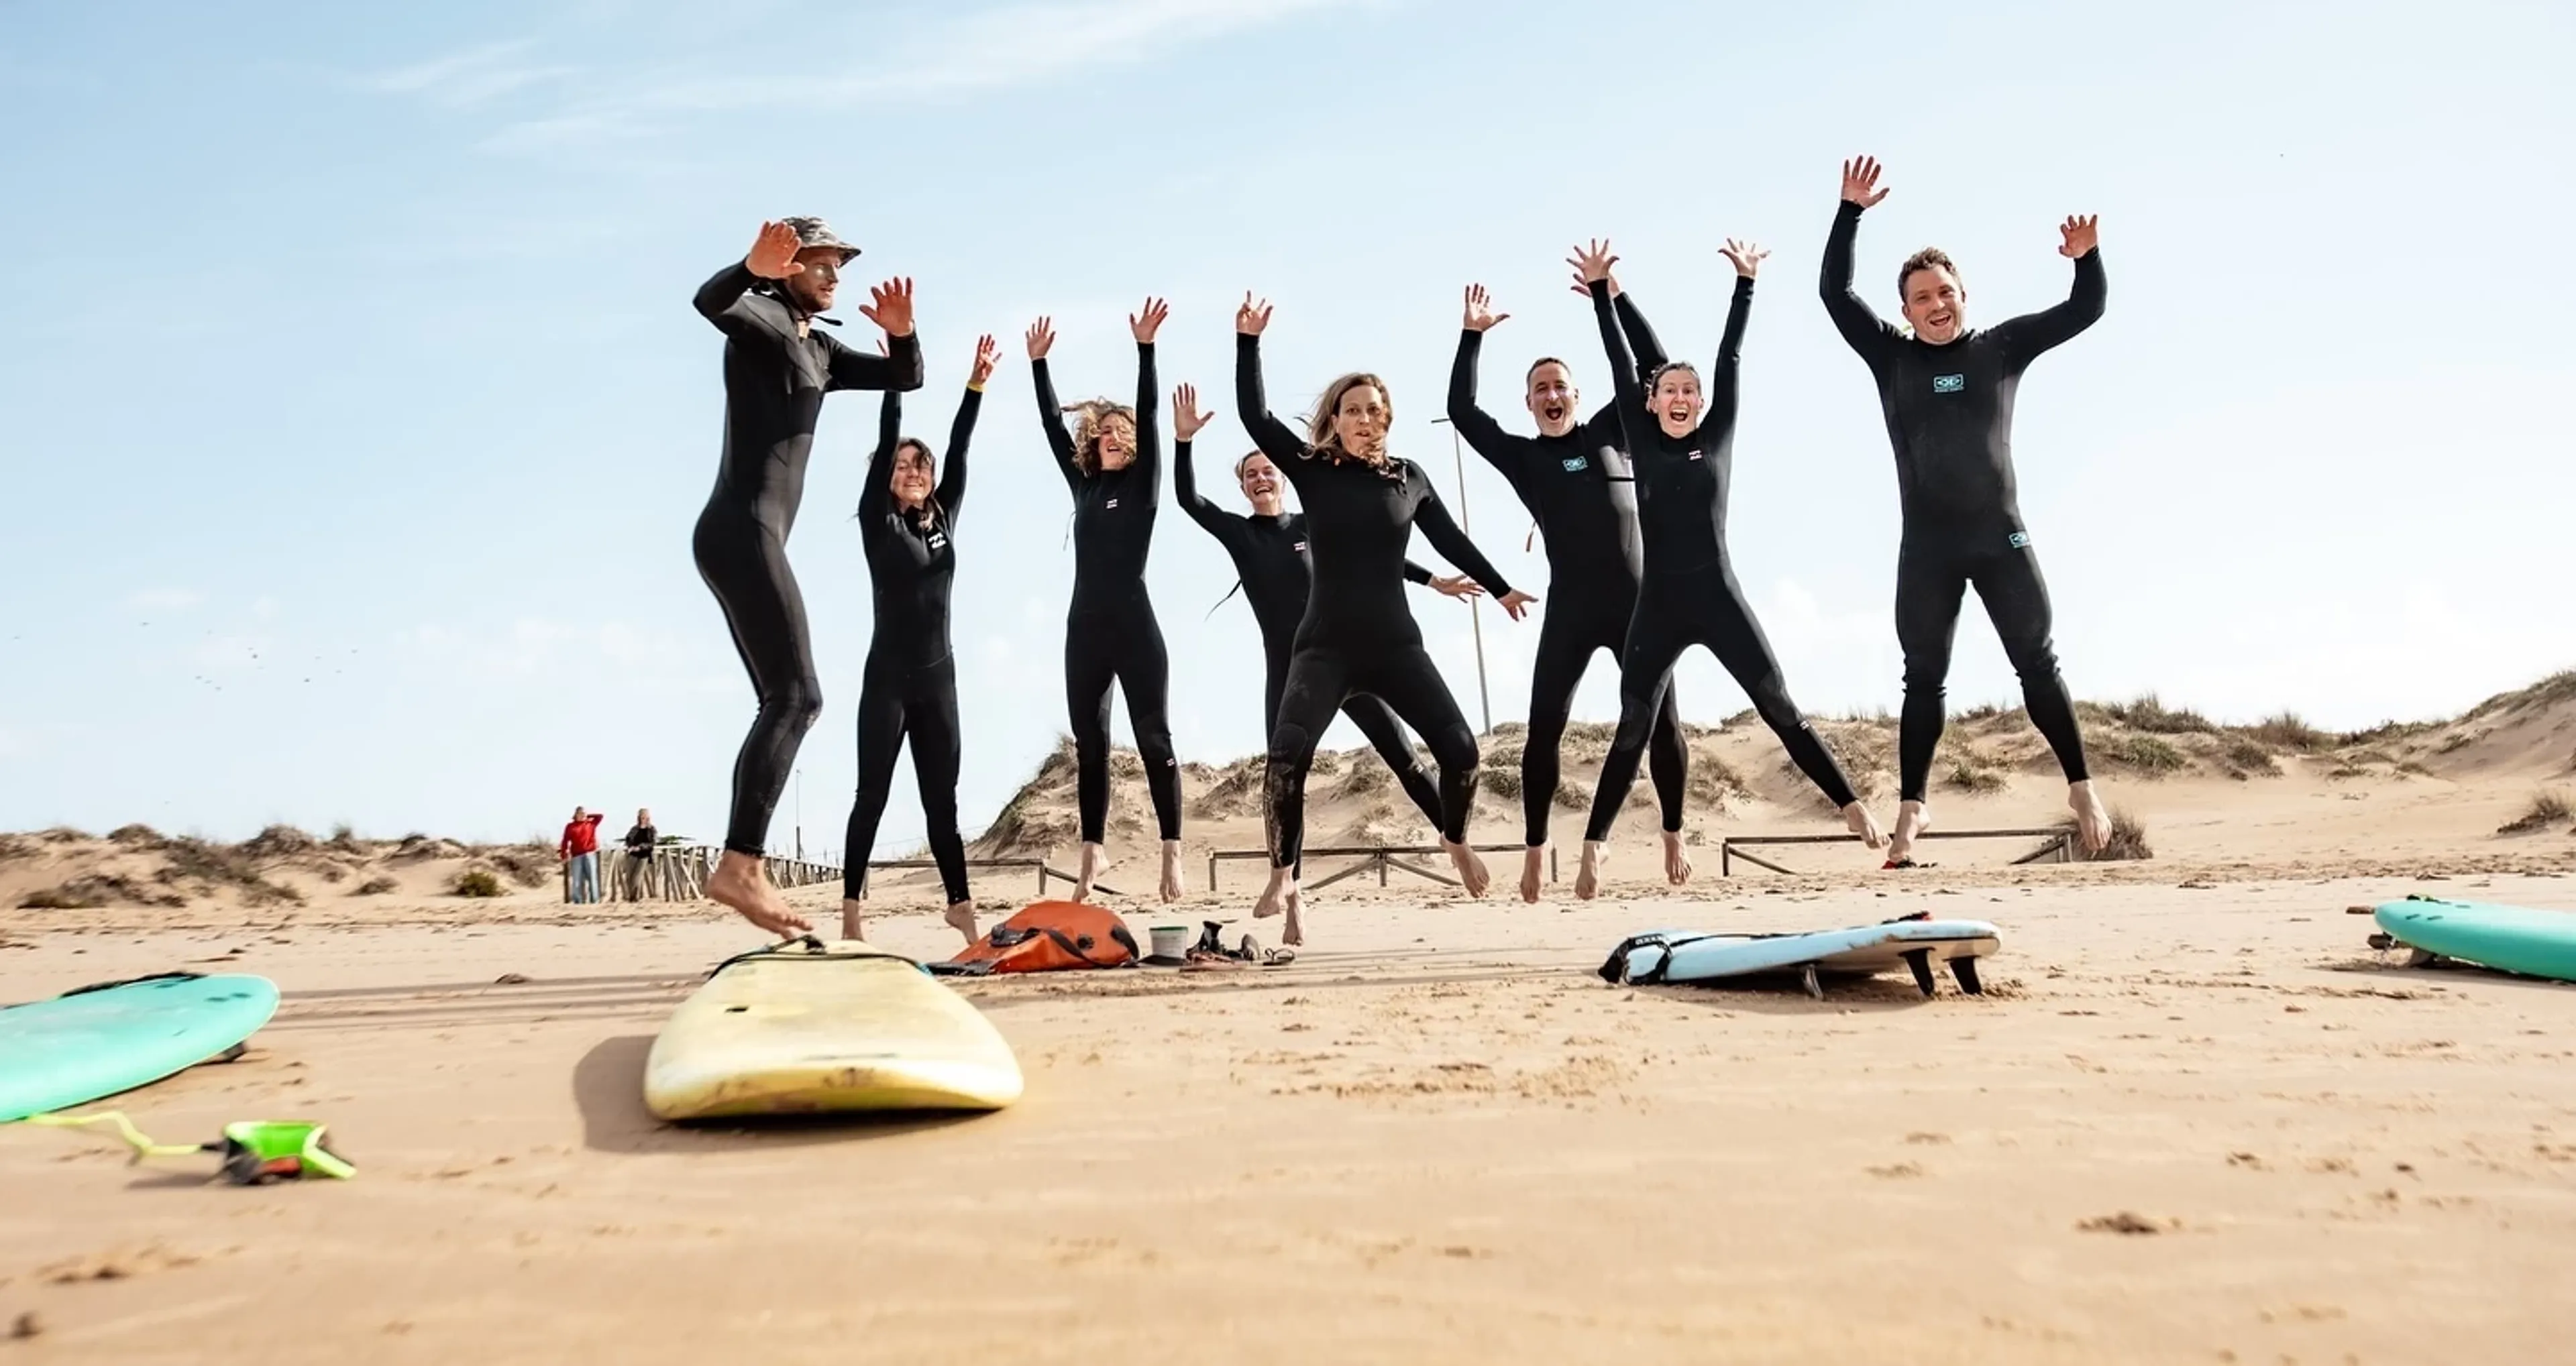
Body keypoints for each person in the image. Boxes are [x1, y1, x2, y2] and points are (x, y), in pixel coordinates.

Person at [1819, 156, 2111, 864]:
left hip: (1999, 537)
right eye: (1921, 297)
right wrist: (1849, 212)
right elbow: (1834, 293)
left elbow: (2085, 310)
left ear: (1964, 295)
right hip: (1928, 547)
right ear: (1906, 309)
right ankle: (1912, 813)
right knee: (1923, 677)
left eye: (1945, 292)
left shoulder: (2000, 349)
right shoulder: (1891, 358)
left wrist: (2087, 259)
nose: (1936, 304)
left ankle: (2082, 788)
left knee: (2038, 664)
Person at [1573, 239, 1884, 897]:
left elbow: (1730, 355)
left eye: (1692, 390)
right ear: (1651, 403)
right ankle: (1595, 846)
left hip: (1720, 598)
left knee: (1779, 705)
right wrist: (1603, 292)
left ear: (1702, 402)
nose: (1681, 397)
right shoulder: (1640, 431)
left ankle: (1853, 806)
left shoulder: (1717, 436)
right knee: (1634, 724)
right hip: (1657, 607)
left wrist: (1746, 286)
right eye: (1670, 390)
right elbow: (1618, 356)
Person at [1234, 293, 1536, 942]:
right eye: (1352, 411)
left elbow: (1450, 539)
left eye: (1374, 410)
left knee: (1461, 754)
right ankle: (1284, 872)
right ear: (1336, 422)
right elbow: (1254, 416)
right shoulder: (1313, 471)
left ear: (1388, 417)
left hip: (1397, 645)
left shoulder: (1410, 478)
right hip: (1324, 648)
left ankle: (1453, 836)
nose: (1364, 419)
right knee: (1286, 759)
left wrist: (1503, 587)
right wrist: (1248, 343)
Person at [690, 217, 919, 937]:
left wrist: (904, 332)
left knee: (785, 698)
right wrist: (747, 266)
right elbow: (710, 302)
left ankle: (741, 864)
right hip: (739, 530)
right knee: (797, 695)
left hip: (751, 537)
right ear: (785, 266)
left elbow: (904, 377)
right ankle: (741, 865)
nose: (833, 276)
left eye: (837, 267)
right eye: (819, 264)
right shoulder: (758, 316)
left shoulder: (819, 347)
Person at [1447, 274, 1695, 902]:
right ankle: (1535, 849)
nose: (1551, 394)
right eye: (1540, 389)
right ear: (1529, 403)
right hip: (1572, 609)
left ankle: (1672, 830)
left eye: (1560, 385)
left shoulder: (1613, 431)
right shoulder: (1523, 457)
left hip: (1640, 605)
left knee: (1662, 727)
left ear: (1577, 396)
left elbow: (1655, 365)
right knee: (1543, 730)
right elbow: (1462, 413)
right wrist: (1471, 337)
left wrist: (1614, 297)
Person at [1169, 381, 1485, 860]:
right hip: (1295, 666)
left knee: (1405, 758)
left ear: (1282, 477)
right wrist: (1184, 442)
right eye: (1251, 474)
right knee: (1284, 772)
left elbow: (1373, 555)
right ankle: (1289, 889)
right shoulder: (1240, 534)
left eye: (1267, 471)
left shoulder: (1311, 522)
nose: (1261, 479)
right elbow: (1191, 502)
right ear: (1243, 486)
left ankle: (1455, 842)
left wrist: (1431, 579)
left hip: (1350, 648)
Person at [841, 334, 1000, 945]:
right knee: (871, 797)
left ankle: (961, 906)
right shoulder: (878, 524)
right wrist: (892, 376)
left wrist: (976, 383)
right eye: (903, 466)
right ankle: (853, 912)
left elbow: (961, 446)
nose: (913, 471)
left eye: (920, 465)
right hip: (886, 681)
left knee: (943, 803)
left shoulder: (944, 517)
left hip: (940, 680)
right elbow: (889, 437)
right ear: (887, 477)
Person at [1027, 302, 1185, 905]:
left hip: (1135, 628)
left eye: (1123, 430)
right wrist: (1040, 367)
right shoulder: (1085, 487)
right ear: (1093, 443)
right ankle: (1091, 865)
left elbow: (1148, 409)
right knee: (1089, 745)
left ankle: (1173, 852)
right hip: (1083, 629)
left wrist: (1146, 350)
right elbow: (1049, 427)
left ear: (1136, 443)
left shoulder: (1144, 487)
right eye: (1105, 430)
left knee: (1153, 739)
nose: (1114, 434)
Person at [559, 807, 604, 905]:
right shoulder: (571, 826)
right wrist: (564, 855)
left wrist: (588, 816)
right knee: (577, 880)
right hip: (576, 855)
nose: (582, 815)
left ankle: (595, 900)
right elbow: (565, 841)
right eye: (580, 813)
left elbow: (600, 817)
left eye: (583, 813)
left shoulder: (591, 824)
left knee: (592, 878)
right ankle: (578, 901)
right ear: (576, 815)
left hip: (590, 853)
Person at [619, 809, 657, 901]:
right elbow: (628, 839)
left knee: (637, 876)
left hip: (644, 855)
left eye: (645, 816)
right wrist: (631, 847)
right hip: (633, 855)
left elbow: (652, 843)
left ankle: (634, 897)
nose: (643, 818)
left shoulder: (652, 830)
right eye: (641, 816)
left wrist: (640, 847)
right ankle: (632, 896)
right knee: (629, 877)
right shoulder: (634, 829)